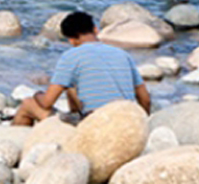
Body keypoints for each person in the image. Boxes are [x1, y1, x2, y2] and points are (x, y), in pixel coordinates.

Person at [13, 11, 151, 126]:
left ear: (71, 40)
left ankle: (21, 149)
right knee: (72, 86)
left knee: (28, 104)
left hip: (96, 126)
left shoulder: (71, 56)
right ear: (96, 30)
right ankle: (75, 116)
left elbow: (47, 103)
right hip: (128, 122)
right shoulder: (122, 54)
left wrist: (37, 95)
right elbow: (145, 99)